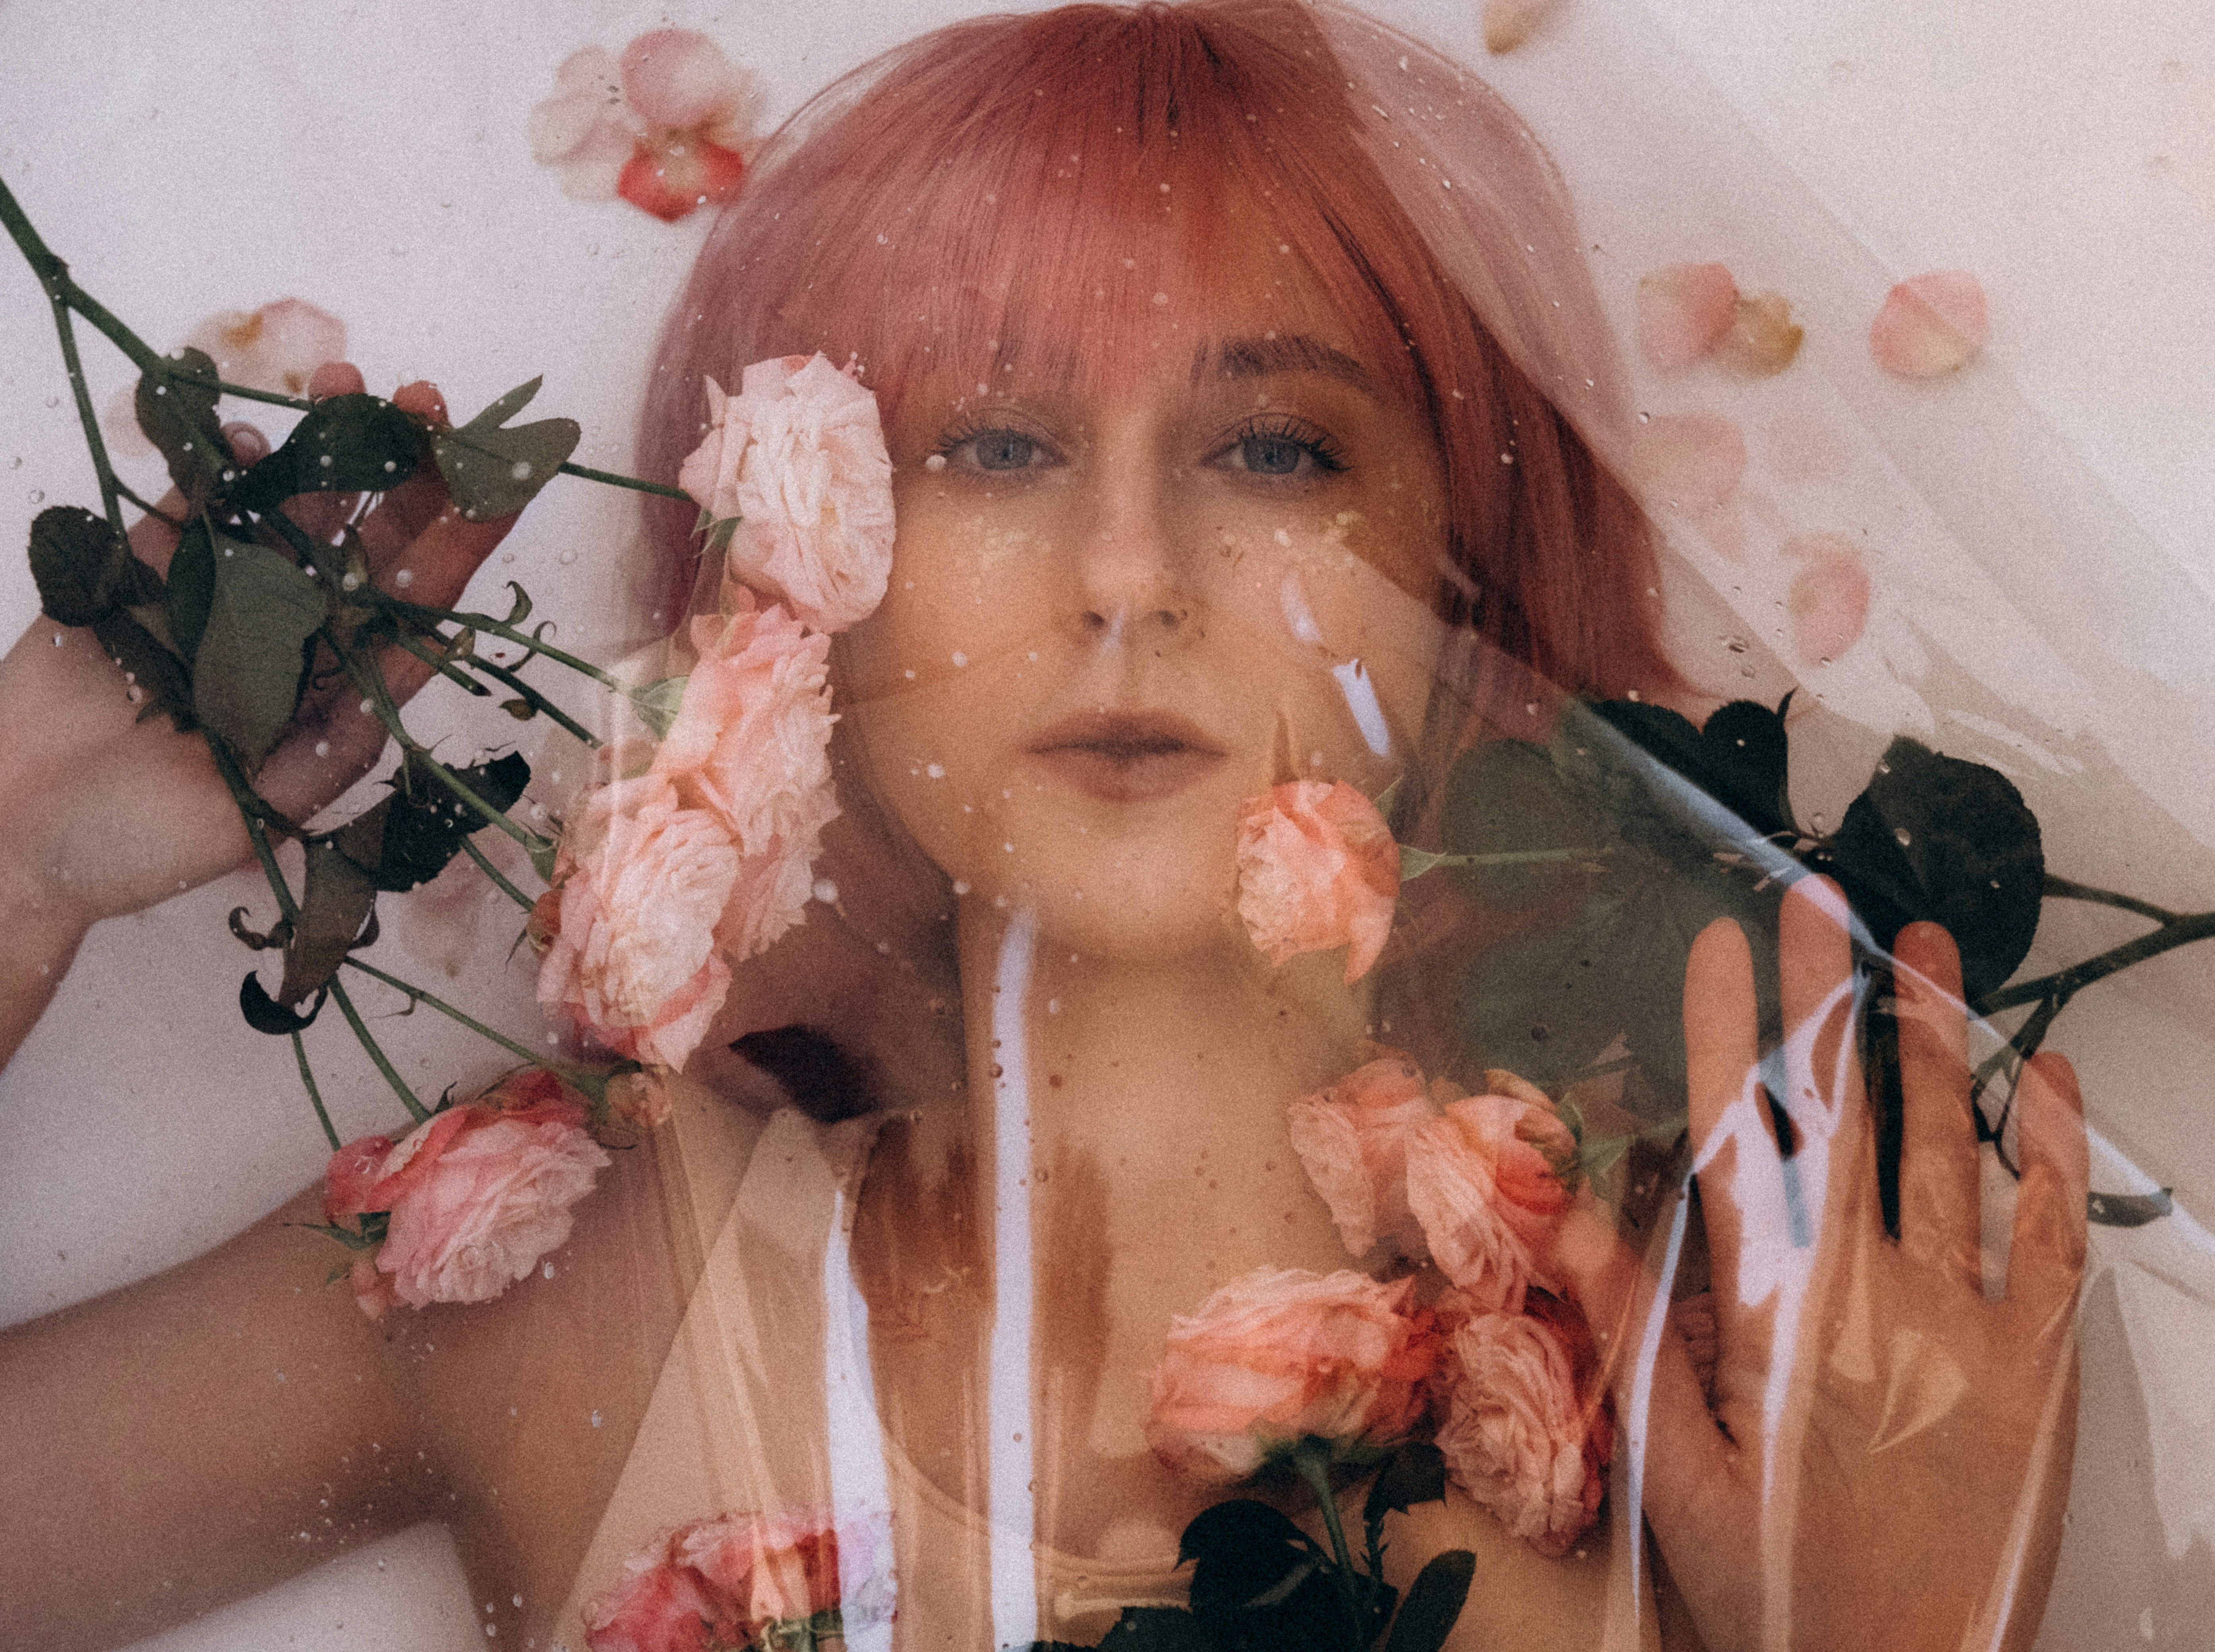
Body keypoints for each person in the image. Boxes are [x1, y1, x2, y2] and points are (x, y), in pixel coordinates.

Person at [0, 3, 2097, 1649]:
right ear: (806, 561)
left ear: (1469, 561)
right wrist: (19, 867)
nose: (1126, 571)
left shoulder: (1750, 1350)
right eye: (994, 445)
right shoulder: (567, 1265)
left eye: (1275, 447)